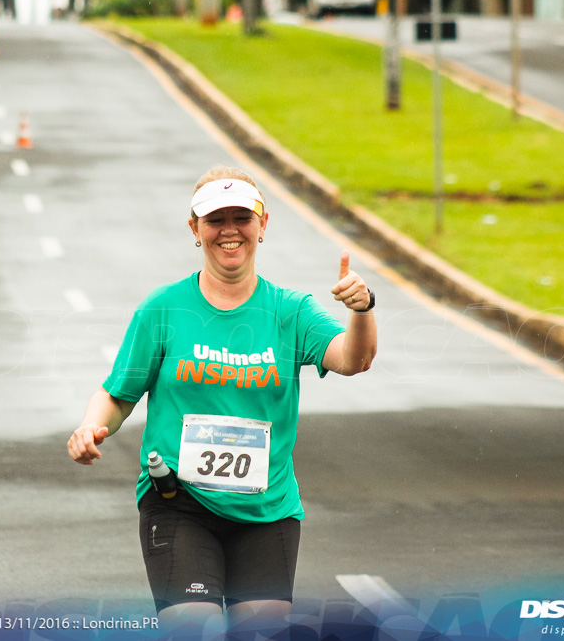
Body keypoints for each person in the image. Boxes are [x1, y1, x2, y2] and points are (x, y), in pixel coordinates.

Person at [67, 166, 377, 636]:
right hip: (179, 503)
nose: (229, 230)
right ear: (194, 229)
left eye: (241, 217)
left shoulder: (291, 311)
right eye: (215, 219)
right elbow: (117, 394)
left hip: (266, 510)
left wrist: (363, 309)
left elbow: (354, 359)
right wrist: (92, 426)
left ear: (263, 224)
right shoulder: (164, 308)